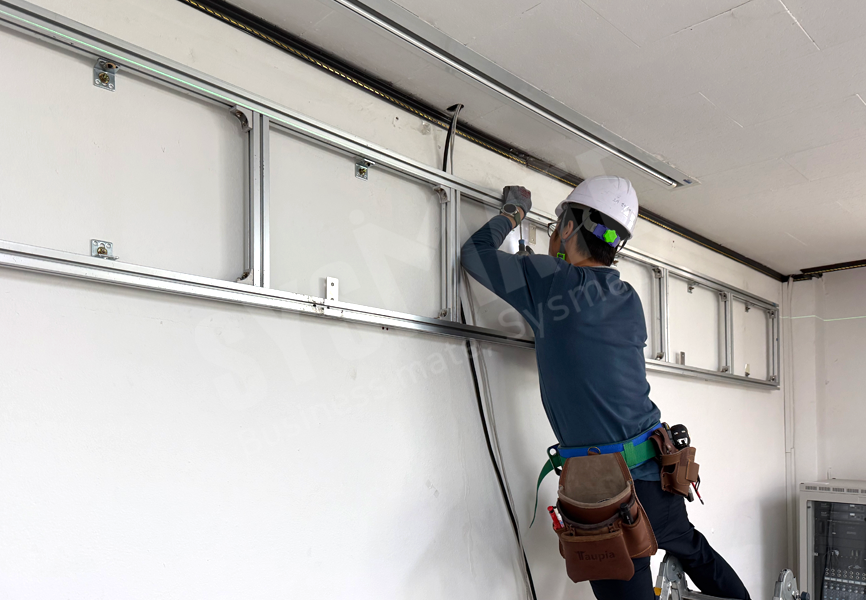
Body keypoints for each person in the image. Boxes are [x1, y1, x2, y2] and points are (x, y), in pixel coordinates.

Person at [460, 176, 751, 600]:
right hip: (656, 472)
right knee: (693, 550)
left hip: (606, 493)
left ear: (569, 227)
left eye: (559, 225)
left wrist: (514, 213)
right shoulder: (627, 297)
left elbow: (475, 254)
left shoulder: (551, 281)